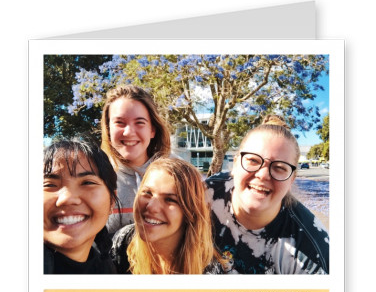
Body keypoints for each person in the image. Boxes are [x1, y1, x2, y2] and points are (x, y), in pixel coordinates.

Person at [206, 115, 329, 274]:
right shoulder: (202, 195)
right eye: (253, 161)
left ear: (292, 179)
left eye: (279, 167)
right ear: (235, 164)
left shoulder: (311, 252)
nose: (263, 175)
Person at [111, 158, 223, 274]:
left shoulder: (208, 271)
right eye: (147, 193)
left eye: (170, 200)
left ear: (190, 212)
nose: (151, 207)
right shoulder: (122, 242)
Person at [101, 84, 171, 235]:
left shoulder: (176, 175)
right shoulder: (96, 178)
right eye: (119, 122)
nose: (129, 132)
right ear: (108, 129)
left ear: (152, 130)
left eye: (139, 122)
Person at [44, 136, 119, 274]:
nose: (67, 198)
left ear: (112, 202)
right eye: (49, 185)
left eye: (87, 183)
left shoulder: (106, 269)